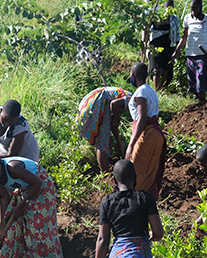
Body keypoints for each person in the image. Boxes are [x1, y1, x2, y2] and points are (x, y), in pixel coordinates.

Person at [125, 63, 167, 200]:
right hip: (156, 133)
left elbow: (142, 119)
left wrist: (131, 144)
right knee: (150, 174)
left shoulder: (141, 92)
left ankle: (134, 204)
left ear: (133, 76)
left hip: (147, 134)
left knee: (135, 172)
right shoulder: (150, 90)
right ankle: (147, 205)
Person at [76, 87, 131, 173]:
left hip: (92, 101)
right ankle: (106, 174)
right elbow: (114, 104)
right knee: (102, 141)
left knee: (100, 140)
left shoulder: (126, 97)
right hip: (97, 103)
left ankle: (104, 172)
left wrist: (119, 143)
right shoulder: (131, 99)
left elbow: (114, 126)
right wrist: (117, 119)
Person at [173, 0, 207, 102]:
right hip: (191, 53)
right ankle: (197, 106)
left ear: (200, 7)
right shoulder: (187, 18)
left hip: (204, 54)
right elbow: (184, 36)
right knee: (192, 81)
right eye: (191, 9)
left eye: (195, 9)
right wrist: (178, 49)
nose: (192, 12)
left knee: (202, 79)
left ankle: (202, 103)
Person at [145, 0, 181, 91]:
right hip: (155, 46)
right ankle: (156, 90)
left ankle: (162, 90)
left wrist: (178, 48)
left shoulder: (174, 19)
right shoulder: (156, 17)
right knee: (157, 70)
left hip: (169, 46)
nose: (168, 10)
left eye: (171, 8)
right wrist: (144, 42)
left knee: (166, 70)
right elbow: (146, 28)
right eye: (167, 8)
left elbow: (177, 34)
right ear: (163, 7)